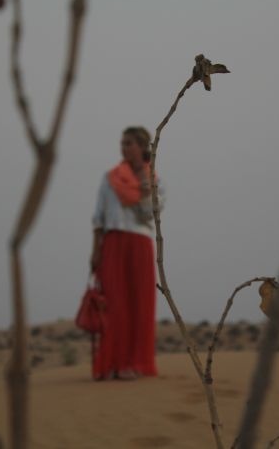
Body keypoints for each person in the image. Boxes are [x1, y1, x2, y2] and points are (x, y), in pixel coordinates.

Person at [90, 126, 165, 380]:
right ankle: (113, 363)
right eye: (122, 143)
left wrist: (144, 189)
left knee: (140, 305)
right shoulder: (110, 177)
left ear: (142, 147)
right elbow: (98, 218)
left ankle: (136, 364)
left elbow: (150, 214)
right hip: (112, 243)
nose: (124, 148)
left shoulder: (154, 180)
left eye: (130, 143)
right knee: (114, 304)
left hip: (140, 243)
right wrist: (95, 251)